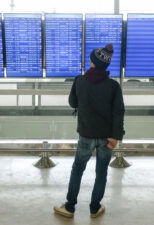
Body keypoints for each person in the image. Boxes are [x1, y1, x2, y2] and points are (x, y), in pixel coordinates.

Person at [54, 44, 125, 218]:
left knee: (77, 169)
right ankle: (94, 208)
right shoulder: (113, 86)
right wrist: (116, 137)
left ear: (92, 62)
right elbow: (118, 112)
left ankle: (70, 207)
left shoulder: (80, 80)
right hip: (107, 138)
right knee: (101, 172)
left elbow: (73, 103)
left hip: (86, 135)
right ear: (106, 65)